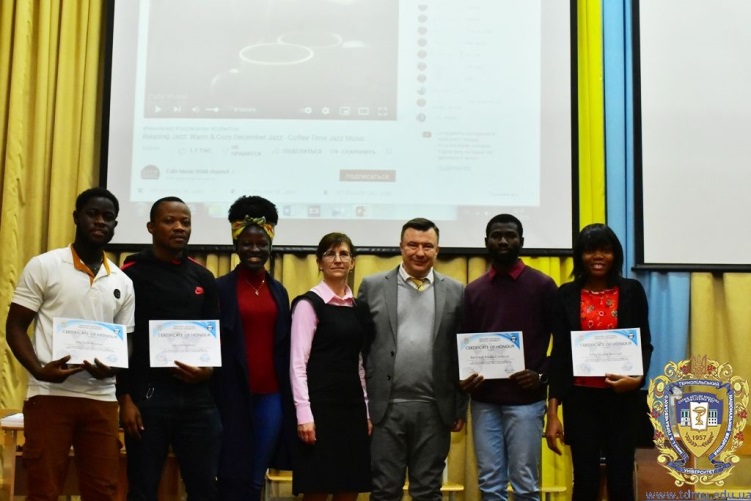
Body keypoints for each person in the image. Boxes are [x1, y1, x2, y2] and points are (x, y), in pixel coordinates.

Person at [5, 187, 135, 499]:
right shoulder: (44, 265)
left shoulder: (123, 281)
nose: (100, 221)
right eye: (93, 214)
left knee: (103, 489)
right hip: (49, 394)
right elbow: (15, 327)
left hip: (102, 398)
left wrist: (115, 367)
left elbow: (127, 340)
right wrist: (38, 370)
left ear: (115, 225)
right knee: (43, 488)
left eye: (108, 217)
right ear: (76, 217)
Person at [117, 196, 222, 501]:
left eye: (185, 222)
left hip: (197, 398)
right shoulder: (129, 274)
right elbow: (122, 339)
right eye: (169, 221)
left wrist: (208, 370)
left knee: (205, 488)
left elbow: (213, 337)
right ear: (151, 227)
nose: (179, 227)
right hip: (148, 397)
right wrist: (125, 398)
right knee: (143, 488)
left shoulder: (203, 277)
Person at [357, 217, 467, 501]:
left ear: (437, 250)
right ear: (401, 247)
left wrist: (459, 405)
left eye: (427, 246)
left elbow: (461, 352)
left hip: (435, 409)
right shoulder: (372, 286)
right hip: (385, 409)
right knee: (384, 490)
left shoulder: (456, 291)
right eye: (412, 245)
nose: (420, 252)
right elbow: (360, 348)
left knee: (428, 491)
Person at [544, 223, 653, 501]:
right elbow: (560, 355)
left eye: (605, 250)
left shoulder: (632, 291)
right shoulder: (566, 294)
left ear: (615, 255)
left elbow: (644, 344)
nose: (598, 256)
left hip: (622, 400)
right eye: (590, 250)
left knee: (621, 480)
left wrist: (637, 380)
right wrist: (553, 413)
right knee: (585, 480)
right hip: (580, 401)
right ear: (580, 256)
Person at [460, 214, 557, 501]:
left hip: (526, 402)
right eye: (497, 236)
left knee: (525, 484)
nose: (503, 241)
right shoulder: (474, 290)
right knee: (490, 484)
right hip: (484, 401)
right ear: (486, 242)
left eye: (510, 235)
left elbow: (563, 344)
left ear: (521, 241)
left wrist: (542, 376)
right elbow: (464, 343)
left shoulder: (542, 285)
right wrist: (465, 377)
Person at [211, 195, 294, 500]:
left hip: (271, 397)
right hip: (231, 395)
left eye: (261, 243)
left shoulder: (279, 291)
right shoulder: (219, 288)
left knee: (257, 476)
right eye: (247, 243)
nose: (254, 250)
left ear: (270, 245)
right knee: (231, 472)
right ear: (236, 245)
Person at [290, 232, 372, 500]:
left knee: (350, 487)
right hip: (319, 410)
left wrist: (366, 410)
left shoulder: (358, 308)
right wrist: (304, 414)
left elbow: (359, 363)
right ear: (319, 262)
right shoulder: (308, 304)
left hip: (352, 409)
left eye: (344, 254)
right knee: (318, 487)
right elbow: (297, 364)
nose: (338, 259)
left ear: (353, 262)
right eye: (330, 254)